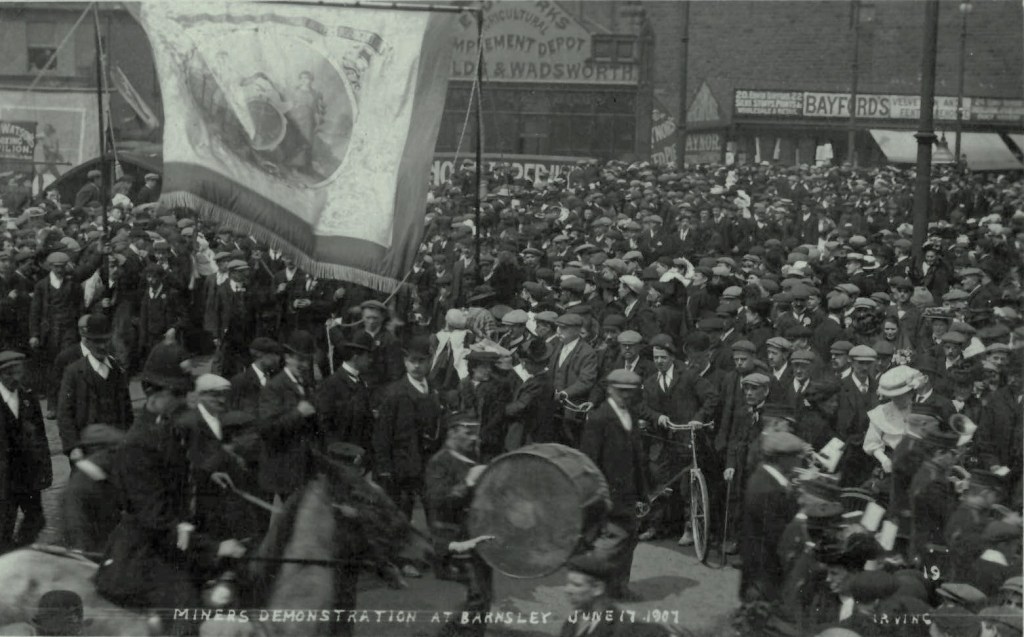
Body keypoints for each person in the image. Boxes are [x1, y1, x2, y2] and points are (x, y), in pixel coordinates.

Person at [95, 364, 247, 636]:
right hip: (145, 549)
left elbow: (173, 470)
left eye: (184, 393)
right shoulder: (136, 445)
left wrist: (205, 476)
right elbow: (156, 519)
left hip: (172, 541)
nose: (183, 400)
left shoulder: (165, 426)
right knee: (185, 608)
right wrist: (213, 548)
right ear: (153, 395)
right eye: (176, 393)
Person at [579, 369, 648, 601]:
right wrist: (597, 495)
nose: (626, 397)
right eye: (621, 392)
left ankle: (620, 587)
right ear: (609, 390)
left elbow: (637, 456)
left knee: (629, 539)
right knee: (609, 542)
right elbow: (589, 461)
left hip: (629, 491)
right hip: (608, 493)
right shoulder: (599, 418)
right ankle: (600, 588)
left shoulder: (631, 414)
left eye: (630, 392)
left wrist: (642, 490)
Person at [424, 413, 492, 636]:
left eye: (476, 432)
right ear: (452, 432)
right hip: (455, 540)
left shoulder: (470, 458)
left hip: (474, 538)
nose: (474, 438)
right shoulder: (439, 462)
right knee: (477, 598)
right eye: (468, 432)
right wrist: (468, 482)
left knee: (481, 598)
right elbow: (438, 501)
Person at [739, 431, 805, 603]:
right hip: (764, 567)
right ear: (782, 458)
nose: (799, 461)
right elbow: (778, 534)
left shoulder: (766, 478)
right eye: (796, 456)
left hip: (760, 562)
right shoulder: (767, 490)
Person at [56, 314, 133, 460]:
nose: (102, 346)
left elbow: (127, 410)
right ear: (87, 341)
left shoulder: (117, 370)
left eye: (105, 341)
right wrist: (73, 447)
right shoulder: (74, 372)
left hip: (115, 445)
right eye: (97, 341)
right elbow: (64, 413)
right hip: (87, 449)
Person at [257, 330, 318, 504]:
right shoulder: (274, 387)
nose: (304, 364)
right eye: (300, 359)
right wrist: (298, 414)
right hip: (284, 468)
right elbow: (267, 429)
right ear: (288, 357)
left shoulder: (305, 384)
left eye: (308, 360)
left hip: (304, 468)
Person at [0, 351, 51, 549]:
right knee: (4, 525)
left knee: (36, 517)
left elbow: (40, 434)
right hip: (4, 476)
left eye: (18, 373)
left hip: (27, 473)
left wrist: (45, 469)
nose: (15, 378)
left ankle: (19, 551)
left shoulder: (28, 397)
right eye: (9, 374)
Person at [317, 331, 375, 453]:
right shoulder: (331, 384)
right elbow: (324, 426)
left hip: (359, 455)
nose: (371, 360)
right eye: (368, 356)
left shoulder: (360, 382)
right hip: (340, 457)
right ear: (356, 357)